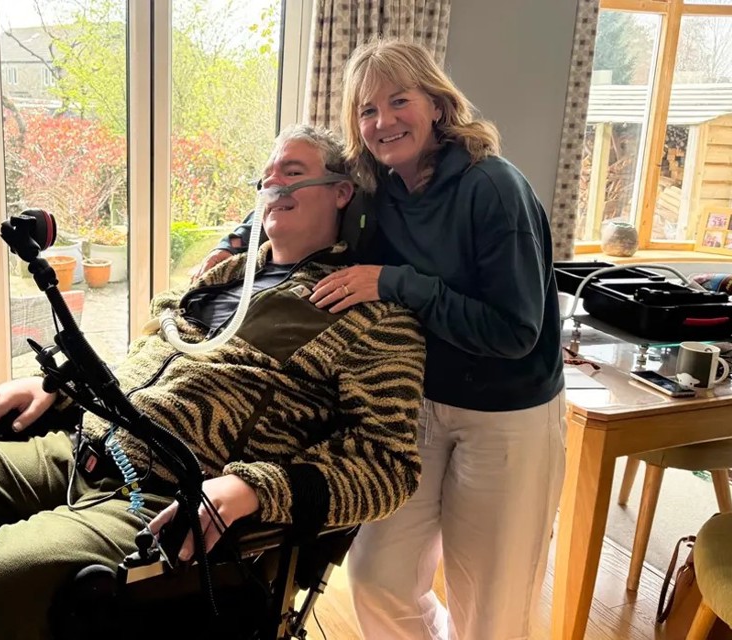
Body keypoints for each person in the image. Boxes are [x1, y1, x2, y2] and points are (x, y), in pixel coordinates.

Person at [0, 124, 426, 640]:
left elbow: (389, 465)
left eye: (293, 173)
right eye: (267, 175)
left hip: (161, 501)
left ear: (342, 191)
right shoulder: (220, 279)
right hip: (82, 453)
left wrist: (253, 488)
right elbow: (148, 362)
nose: (273, 185)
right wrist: (57, 384)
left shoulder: (372, 317)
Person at [200, 41, 566, 640]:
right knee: (377, 575)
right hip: (417, 402)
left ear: (438, 105)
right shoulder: (377, 185)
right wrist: (237, 242)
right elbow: (294, 184)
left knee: (491, 602)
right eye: (367, 110)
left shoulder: (493, 188)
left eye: (399, 101)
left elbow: (516, 332)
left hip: (507, 413)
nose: (383, 121)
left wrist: (396, 283)